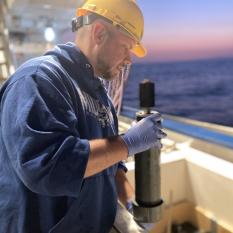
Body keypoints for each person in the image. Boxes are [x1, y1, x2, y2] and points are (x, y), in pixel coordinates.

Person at [0, 0, 166, 232]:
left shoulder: (100, 95)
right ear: (99, 33)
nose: (129, 60)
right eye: (126, 47)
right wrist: (128, 143)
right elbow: (48, 166)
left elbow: (109, 160)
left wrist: (128, 200)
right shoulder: (38, 80)